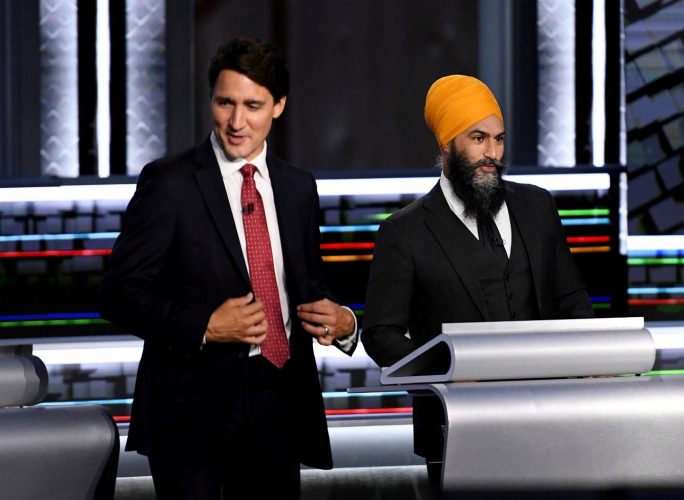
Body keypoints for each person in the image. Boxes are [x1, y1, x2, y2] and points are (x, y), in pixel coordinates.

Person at [99, 37, 357, 500]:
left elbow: (310, 289)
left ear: (278, 106)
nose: (237, 122)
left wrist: (344, 323)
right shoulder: (170, 183)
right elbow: (117, 293)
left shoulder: (298, 188)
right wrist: (204, 326)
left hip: (278, 403)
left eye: (253, 105)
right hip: (190, 410)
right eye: (225, 103)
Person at [361, 74, 594, 490]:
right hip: (457, 430)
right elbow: (381, 334)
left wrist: (590, 367)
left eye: (499, 139)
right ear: (447, 145)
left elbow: (572, 300)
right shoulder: (405, 232)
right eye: (478, 138)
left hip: (551, 420)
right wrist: (448, 372)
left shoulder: (537, 206)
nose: (492, 154)